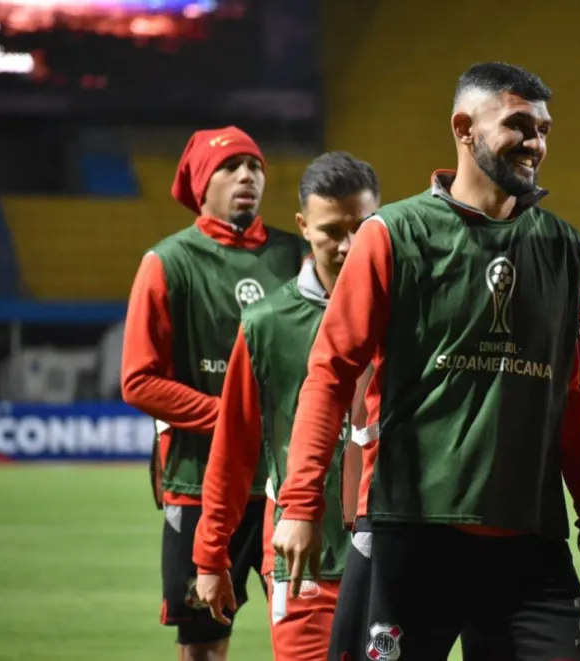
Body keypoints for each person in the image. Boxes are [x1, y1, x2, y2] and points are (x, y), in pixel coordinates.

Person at [273, 61, 580, 661]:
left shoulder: (564, 247)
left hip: (528, 539)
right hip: (412, 529)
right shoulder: (393, 234)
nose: (536, 142)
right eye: (518, 125)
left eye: (543, 128)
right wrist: (301, 504)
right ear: (464, 128)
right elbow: (329, 375)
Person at [121, 126, 306, 661]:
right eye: (230, 167)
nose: (247, 175)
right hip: (199, 484)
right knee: (202, 647)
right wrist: (235, 417)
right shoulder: (168, 262)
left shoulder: (296, 253)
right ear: (202, 182)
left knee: (306, 636)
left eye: (256, 166)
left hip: (284, 488)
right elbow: (138, 380)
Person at [190, 151, 380, 661]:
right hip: (303, 561)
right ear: (302, 226)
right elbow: (233, 449)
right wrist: (211, 556)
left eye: (362, 228)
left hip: (393, 556)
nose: (347, 245)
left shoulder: (411, 311)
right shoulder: (267, 323)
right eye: (331, 230)